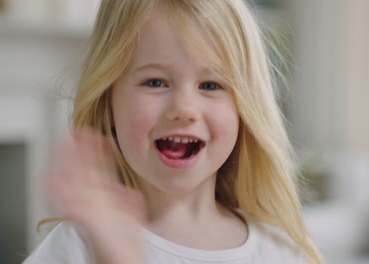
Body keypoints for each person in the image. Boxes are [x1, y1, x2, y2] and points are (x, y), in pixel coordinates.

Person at [23, 0, 323, 263]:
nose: (184, 108)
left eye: (210, 85)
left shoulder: (280, 251)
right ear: (108, 102)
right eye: (155, 82)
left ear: (245, 110)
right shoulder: (82, 243)